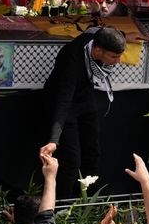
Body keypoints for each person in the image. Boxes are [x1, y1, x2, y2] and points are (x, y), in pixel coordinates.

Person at [39, 27, 127, 198]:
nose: (118, 61)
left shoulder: (97, 36)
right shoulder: (72, 58)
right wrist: (53, 140)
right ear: (98, 50)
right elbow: (64, 100)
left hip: (85, 96)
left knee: (92, 151)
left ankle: (89, 199)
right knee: (72, 160)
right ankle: (62, 208)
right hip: (63, 102)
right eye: (114, 57)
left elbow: (106, 28)